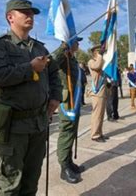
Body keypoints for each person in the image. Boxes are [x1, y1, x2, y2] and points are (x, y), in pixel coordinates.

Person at [0, 0, 62, 195]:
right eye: (24, 12)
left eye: (32, 13)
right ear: (10, 17)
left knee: (31, 179)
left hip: (38, 123)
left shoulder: (40, 48)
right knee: (10, 182)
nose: (30, 16)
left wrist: (55, 97)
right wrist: (29, 68)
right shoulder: (0, 46)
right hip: (13, 127)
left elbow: (53, 73)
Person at [53, 37, 85, 184]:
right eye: (75, 41)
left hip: (75, 99)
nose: (78, 44)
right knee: (66, 132)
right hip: (67, 102)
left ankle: (69, 161)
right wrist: (63, 46)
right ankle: (64, 167)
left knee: (71, 131)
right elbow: (52, 61)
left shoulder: (72, 59)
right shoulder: (62, 57)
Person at [88, 45, 110, 143]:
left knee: (100, 115)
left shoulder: (100, 61)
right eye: (99, 51)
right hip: (97, 92)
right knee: (97, 114)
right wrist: (100, 56)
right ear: (95, 52)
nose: (101, 53)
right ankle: (95, 135)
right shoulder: (91, 61)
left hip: (102, 91)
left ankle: (99, 133)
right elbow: (97, 66)